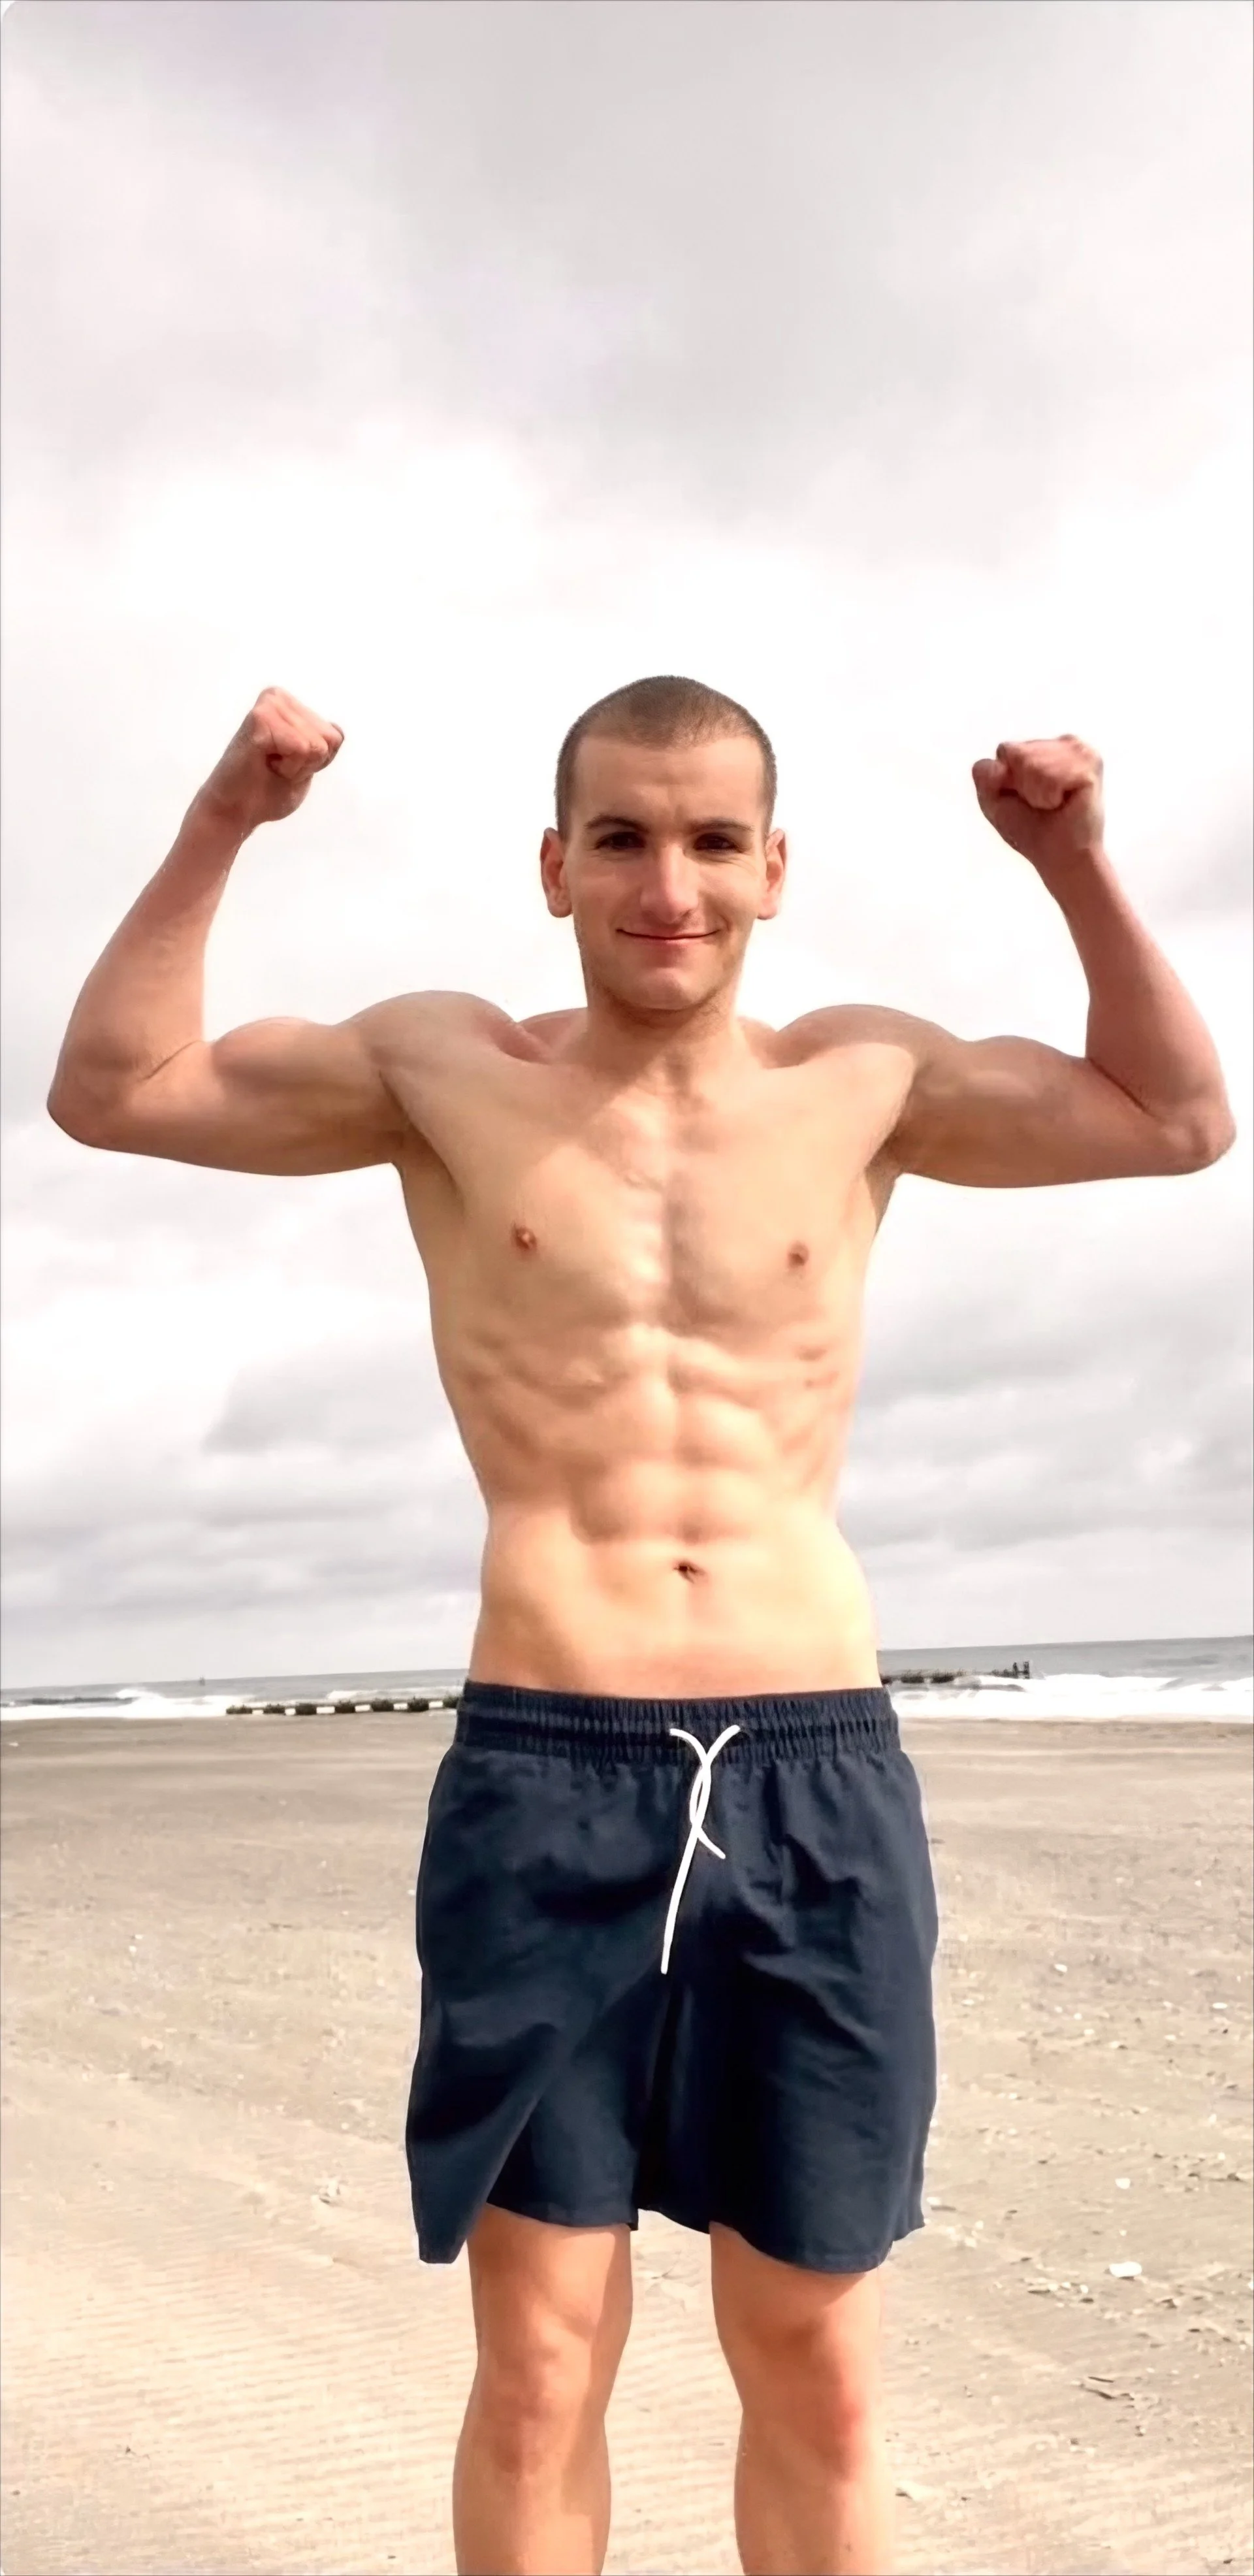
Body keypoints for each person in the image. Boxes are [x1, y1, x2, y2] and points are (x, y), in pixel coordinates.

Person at [48, 676, 1234, 2576]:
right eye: (619, 835)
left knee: (819, 2358)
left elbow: (1179, 1118)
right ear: (554, 865)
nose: (663, 880)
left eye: (706, 840)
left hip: (814, 1780)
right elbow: (111, 1089)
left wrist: (1077, 863)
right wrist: (225, 818)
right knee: (538, 2359)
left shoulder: (865, 1081)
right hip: (548, 1767)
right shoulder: (445, 1069)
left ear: (773, 867)